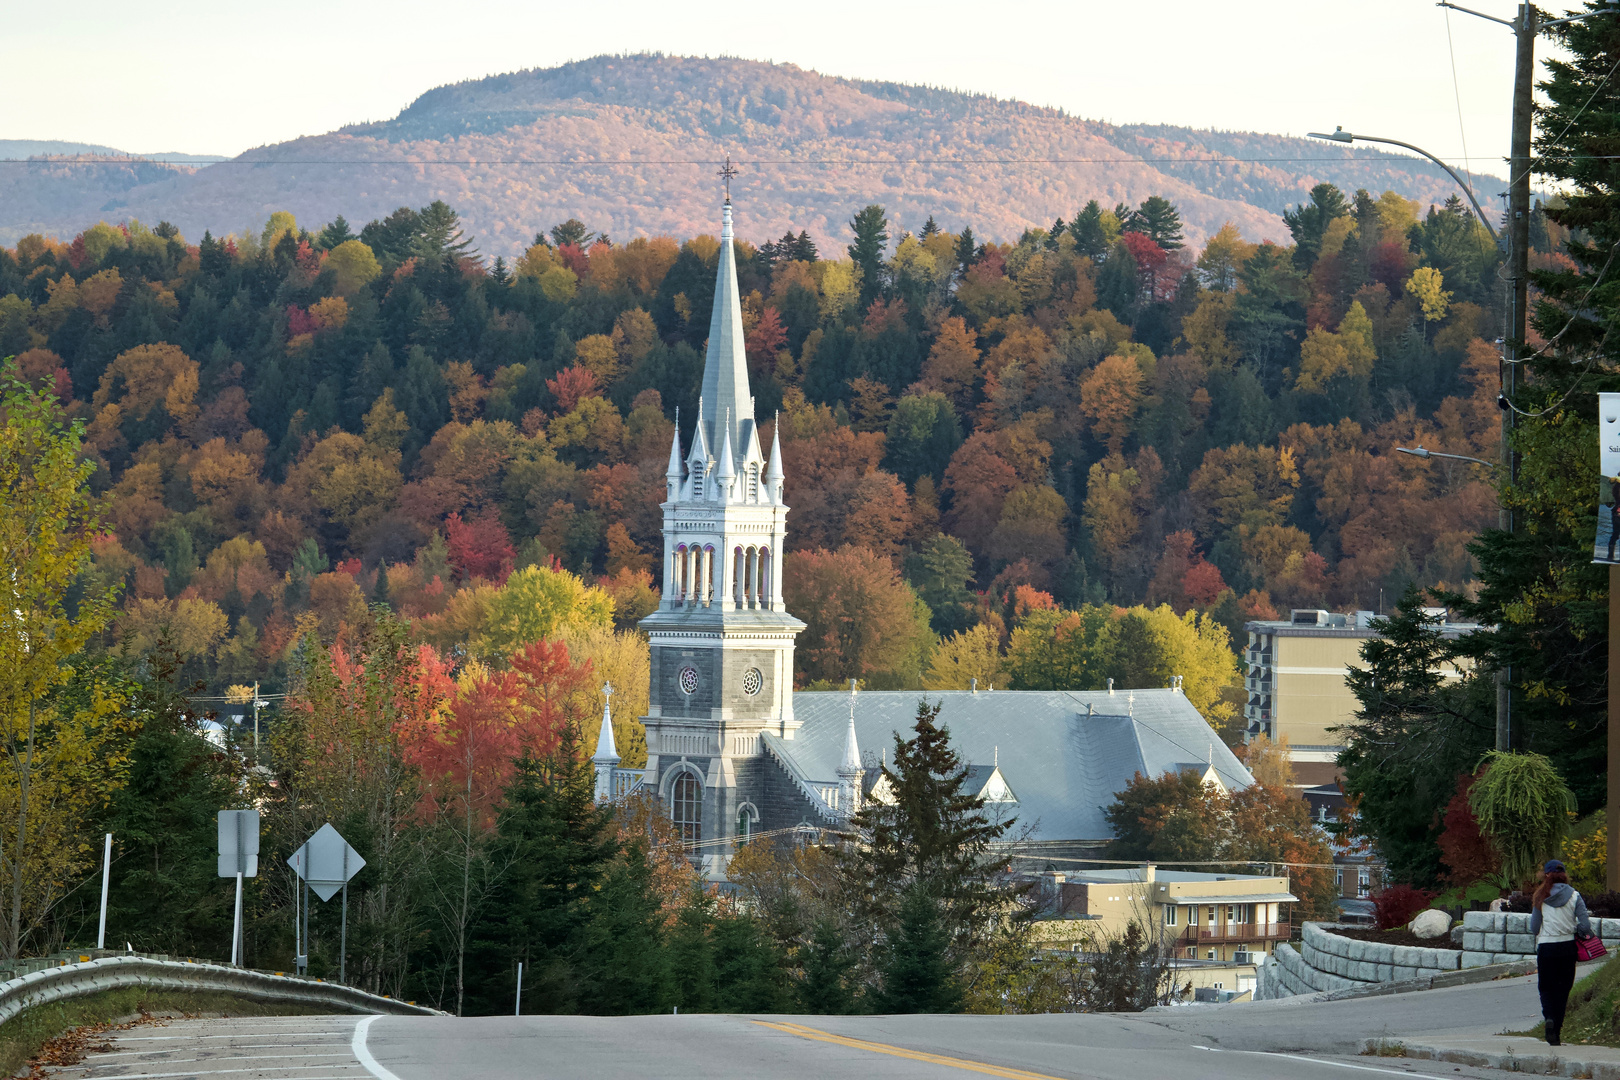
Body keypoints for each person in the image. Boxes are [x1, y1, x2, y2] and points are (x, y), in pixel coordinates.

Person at [1530, 858, 1592, 1046]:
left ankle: (1548, 1017)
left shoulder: (1540, 896)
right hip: (1567, 948)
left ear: (1546, 875)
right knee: (1563, 990)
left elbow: (1534, 927)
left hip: (1547, 947)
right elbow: (1585, 925)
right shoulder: (1574, 896)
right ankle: (1556, 1032)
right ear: (1564, 875)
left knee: (1546, 988)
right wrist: (1577, 931)